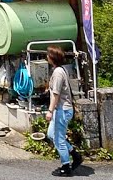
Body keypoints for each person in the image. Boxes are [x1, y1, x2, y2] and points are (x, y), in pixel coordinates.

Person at [44, 46, 82, 176]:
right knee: (51, 135)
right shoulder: (58, 70)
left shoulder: (58, 73)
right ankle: (74, 155)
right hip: (60, 109)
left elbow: (56, 94)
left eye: (48, 54)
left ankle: (66, 167)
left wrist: (50, 111)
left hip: (62, 110)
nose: (47, 56)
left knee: (59, 139)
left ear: (52, 57)